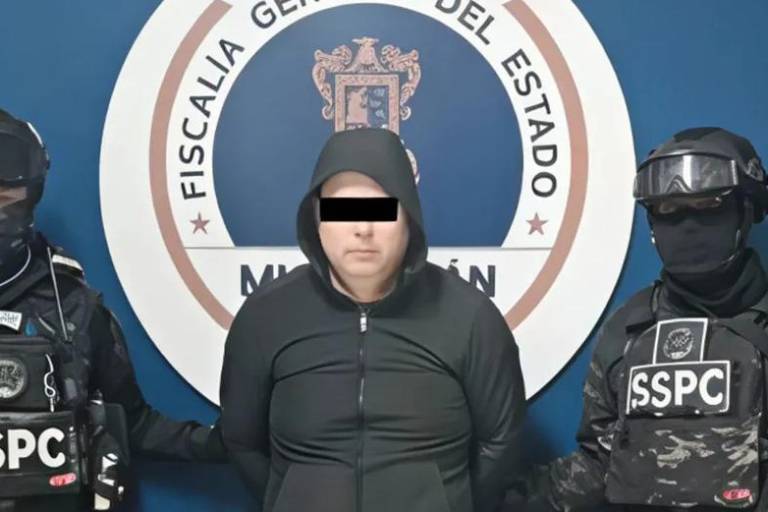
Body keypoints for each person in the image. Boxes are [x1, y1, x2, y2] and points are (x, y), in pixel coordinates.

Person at [220, 127, 526, 512]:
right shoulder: (266, 315)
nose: (363, 229)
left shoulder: (471, 317)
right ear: (317, 218)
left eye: (382, 209)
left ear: (409, 218)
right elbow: (242, 441)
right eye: (343, 209)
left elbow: (501, 442)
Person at [511, 127, 768, 511]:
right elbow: (599, 464)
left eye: (708, 203)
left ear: (747, 210)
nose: (687, 225)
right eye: (668, 209)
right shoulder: (628, 329)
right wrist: (497, 496)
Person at [0, 108, 226, 512]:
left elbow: (133, 423)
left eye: (4, 198)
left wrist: (221, 443)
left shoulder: (74, 305)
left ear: (29, 198)